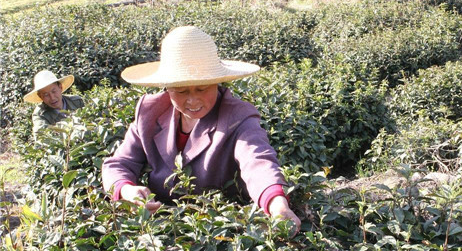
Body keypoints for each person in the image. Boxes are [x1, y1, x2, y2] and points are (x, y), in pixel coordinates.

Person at [101, 26, 301, 232]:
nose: (192, 99)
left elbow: (258, 162)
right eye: (181, 90)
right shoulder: (149, 112)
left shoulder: (239, 117)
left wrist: (276, 204)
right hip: (160, 226)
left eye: (202, 88)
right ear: (166, 88)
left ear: (216, 83)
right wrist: (127, 191)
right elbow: (119, 163)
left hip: (218, 229)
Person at [24, 70, 85, 137]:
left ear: (60, 88)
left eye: (54, 91)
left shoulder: (77, 102)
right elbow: (41, 137)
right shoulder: (40, 115)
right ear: (40, 96)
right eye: (46, 95)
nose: (52, 98)